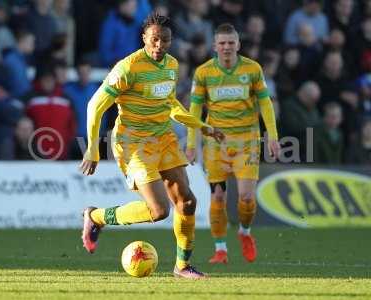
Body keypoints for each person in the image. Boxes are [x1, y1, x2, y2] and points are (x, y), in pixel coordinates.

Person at [79, 13, 223, 279]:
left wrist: (201, 126)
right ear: (144, 38)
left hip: (163, 138)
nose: (159, 45)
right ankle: (96, 216)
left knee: (188, 202)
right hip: (133, 142)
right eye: (154, 39)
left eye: (165, 40)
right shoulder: (128, 68)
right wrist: (93, 149)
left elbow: (170, 105)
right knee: (158, 211)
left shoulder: (171, 65)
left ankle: (182, 266)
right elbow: (94, 106)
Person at [185, 23, 280, 264]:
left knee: (246, 197)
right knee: (217, 196)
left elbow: (266, 104)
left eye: (231, 43)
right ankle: (220, 249)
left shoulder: (253, 69)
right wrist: (191, 143)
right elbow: (194, 109)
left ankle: (245, 233)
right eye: (222, 43)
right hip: (216, 142)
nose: (227, 47)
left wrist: (273, 135)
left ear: (238, 45)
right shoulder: (203, 73)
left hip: (247, 141)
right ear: (215, 46)